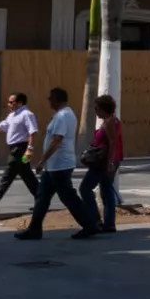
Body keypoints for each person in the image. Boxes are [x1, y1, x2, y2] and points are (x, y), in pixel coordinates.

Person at [16, 87, 97, 240]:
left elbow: (56, 141)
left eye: (50, 98)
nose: (49, 101)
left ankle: (89, 225)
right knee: (42, 196)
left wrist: (42, 160)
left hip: (59, 165)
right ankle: (34, 229)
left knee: (68, 197)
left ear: (57, 99)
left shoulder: (63, 116)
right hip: (54, 166)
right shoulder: (64, 114)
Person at [0, 93, 39, 214]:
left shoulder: (27, 114)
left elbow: (33, 132)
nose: (9, 104)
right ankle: (42, 200)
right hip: (14, 148)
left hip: (20, 149)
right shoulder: (12, 115)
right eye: (8, 102)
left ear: (20, 103)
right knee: (28, 177)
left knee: (7, 177)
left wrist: (29, 149)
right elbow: (1, 127)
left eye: (12, 102)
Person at [78, 94, 125, 234]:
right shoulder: (114, 120)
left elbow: (112, 142)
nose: (96, 111)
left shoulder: (110, 122)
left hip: (103, 162)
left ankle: (95, 219)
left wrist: (109, 163)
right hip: (109, 161)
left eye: (97, 109)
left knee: (85, 188)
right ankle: (109, 223)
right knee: (106, 189)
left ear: (104, 109)